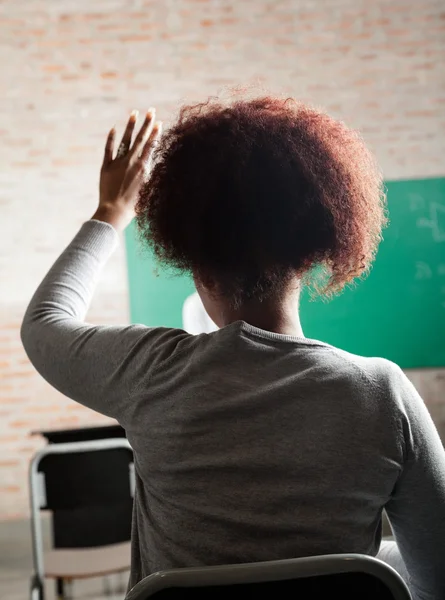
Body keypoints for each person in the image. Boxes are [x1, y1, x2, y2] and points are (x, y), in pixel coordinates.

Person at [21, 98, 445, 600]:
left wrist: (111, 212)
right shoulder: (382, 394)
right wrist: (366, 561)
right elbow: (437, 578)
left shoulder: (151, 374)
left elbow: (44, 323)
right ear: (309, 255)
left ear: (196, 265)